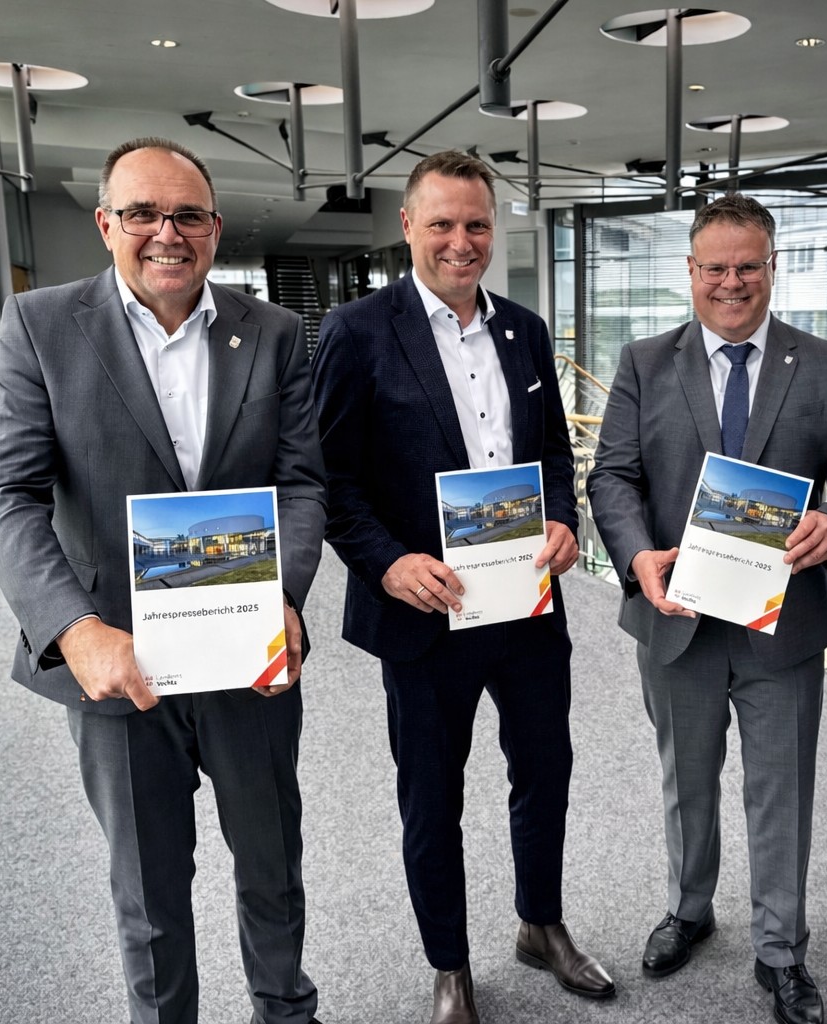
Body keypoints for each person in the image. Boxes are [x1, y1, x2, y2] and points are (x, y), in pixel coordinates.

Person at [0, 137, 326, 1024]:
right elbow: (6, 496)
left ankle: (286, 1012)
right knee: (149, 892)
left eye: (188, 216)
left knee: (273, 867)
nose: (168, 233)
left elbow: (300, 484)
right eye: (143, 213)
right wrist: (74, 630)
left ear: (214, 228)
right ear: (106, 224)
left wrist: (284, 595)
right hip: (117, 665)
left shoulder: (274, 332)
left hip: (247, 657)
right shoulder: (42, 326)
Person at [311, 150, 613, 1024]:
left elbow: (551, 454)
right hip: (423, 612)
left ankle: (540, 925)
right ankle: (450, 968)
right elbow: (330, 482)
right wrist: (388, 563)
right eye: (441, 223)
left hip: (524, 605)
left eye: (476, 224)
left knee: (546, 772)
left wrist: (563, 520)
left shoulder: (524, 330)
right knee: (432, 798)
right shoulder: (357, 332)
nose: (461, 241)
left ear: (495, 228)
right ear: (408, 225)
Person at [586, 193, 827, 1024]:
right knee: (686, 780)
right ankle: (689, 910)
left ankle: (781, 949)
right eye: (714, 267)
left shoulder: (822, 363)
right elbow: (612, 477)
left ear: (772, 267)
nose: (731, 282)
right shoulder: (644, 362)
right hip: (676, 619)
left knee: (780, 790)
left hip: (781, 625)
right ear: (690, 271)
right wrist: (635, 556)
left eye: (747, 266)